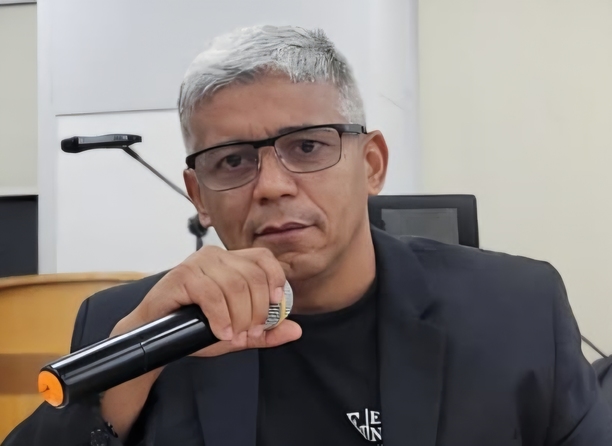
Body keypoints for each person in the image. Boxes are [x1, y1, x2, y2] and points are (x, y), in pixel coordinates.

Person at [4, 25, 611, 446]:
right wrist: (123, 377)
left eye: (308, 147)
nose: (271, 186)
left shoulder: (516, 308)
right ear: (199, 195)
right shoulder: (131, 326)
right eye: (232, 161)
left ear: (371, 165)